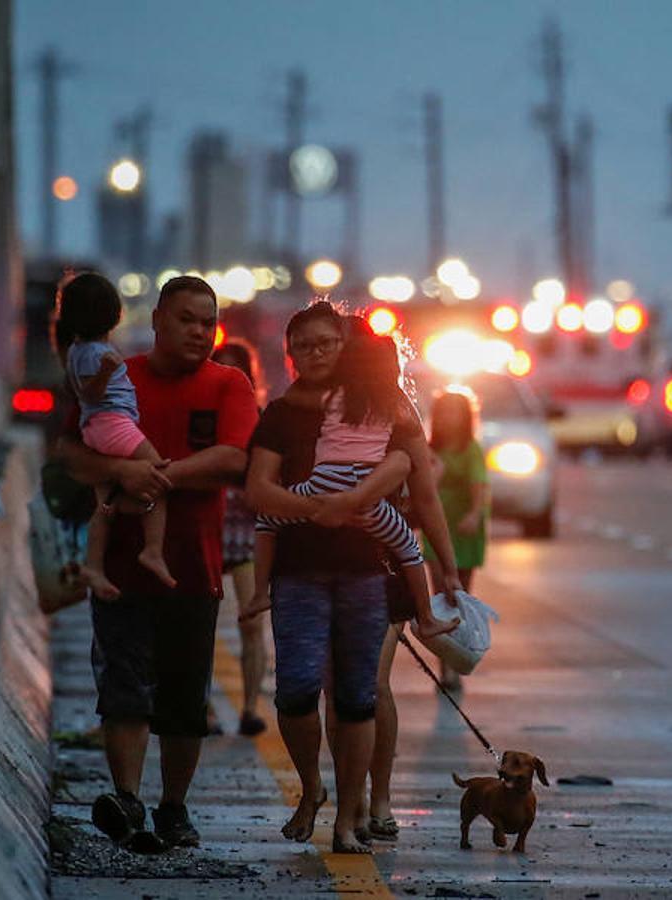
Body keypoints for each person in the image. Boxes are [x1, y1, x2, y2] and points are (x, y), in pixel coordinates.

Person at [245, 301, 465, 854]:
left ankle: (364, 807)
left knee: (361, 694)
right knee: (303, 691)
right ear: (290, 353)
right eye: (304, 345)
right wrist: (317, 509)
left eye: (327, 343)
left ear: (345, 348)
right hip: (301, 570)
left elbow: (426, 495)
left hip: (374, 570)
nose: (315, 353)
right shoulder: (284, 412)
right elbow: (260, 493)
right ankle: (325, 792)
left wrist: (448, 568)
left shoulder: (388, 407)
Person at [56, 275, 257, 851]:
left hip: (196, 566)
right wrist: (121, 471)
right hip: (118, 570)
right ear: (158, 322)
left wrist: (155, 475)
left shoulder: (229, 383)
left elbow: (234, 459)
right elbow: (71, 451)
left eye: (207, 321)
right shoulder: (122, 375)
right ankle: (127, 798)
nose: (199, 331)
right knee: (121, 688)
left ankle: (174, 806)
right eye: (187, 319)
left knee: (184, 700)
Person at [247, 327, 458, 641]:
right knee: (410, 549)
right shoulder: (394, 405)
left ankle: (258, 592)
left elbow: (296, 397)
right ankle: (426, 618)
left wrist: (322, 505)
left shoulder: (328, 397)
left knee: (267, 521)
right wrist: (450, 571)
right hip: (365, 497)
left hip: (322, 482)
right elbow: (421, 482)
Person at [56, 272, 175, 599]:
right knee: (159, 478)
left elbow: (76, 391)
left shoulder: (75, 351)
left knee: (103, 507)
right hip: (113, 424)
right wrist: (108, 371)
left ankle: (93, 566)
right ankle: (153, 549)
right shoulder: (96, 353)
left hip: (97, 429)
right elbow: (90, 396)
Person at [212, 336, 270, 737]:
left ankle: (250, 708)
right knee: (200, 625)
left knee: (252, 623)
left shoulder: (262, 419)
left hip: (249, 532)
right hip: (207, 527)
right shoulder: (200, 413)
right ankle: (202, 709)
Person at [421, 390, 491, 689]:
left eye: (456, 413)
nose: (450, 419)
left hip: (464, 530)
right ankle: (445, 669)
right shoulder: (428, 448)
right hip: (437, 529)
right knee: (440, 599)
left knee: (460, 597)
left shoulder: (470, 449)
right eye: (444, 413)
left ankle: (458, 660)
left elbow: (479, 485)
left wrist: (475, 514)